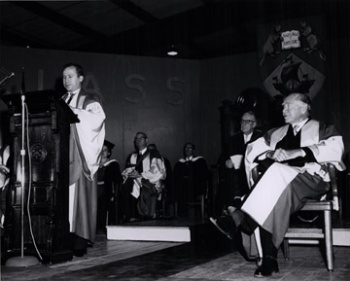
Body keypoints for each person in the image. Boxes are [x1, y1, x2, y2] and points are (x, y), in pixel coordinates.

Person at [210, 93, 345, 277]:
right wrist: (269, 154)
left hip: (312, 180)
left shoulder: (321, 127)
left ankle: (241, 217)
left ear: (304, 107)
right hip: (281, 183)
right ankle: (269, 260)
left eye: (288, 105)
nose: (283, 110)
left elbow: (336, 148)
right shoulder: (277, 132)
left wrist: (298, 152)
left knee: (274, 174)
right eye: (283, 106)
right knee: (272, 189)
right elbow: (252, 148)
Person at [62, 63, 106, 257]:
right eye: (64, 77)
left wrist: (73, 112)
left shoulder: (90, 100)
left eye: (70, 76)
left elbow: (97, 120)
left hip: (79, 157)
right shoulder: (60, 100)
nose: (66, 80)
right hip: (62, 158)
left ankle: (78, 241)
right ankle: (64, 239)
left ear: (80, 78)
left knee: (78, 200)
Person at [219, 111, 263, 213]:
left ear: (254, 124)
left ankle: (235, 204)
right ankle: (234, 203)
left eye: (247, 121)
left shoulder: (260, 138)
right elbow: (222, 159)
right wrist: (226, 162)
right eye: (242, 121)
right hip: (236, 175)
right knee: (228, 177)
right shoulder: (233, 139)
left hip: (253, 173)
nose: (243, 124)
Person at [120, 132, 166, 222]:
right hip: (136, 182)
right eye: (136, 139)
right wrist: (128, 173)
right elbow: (129, 170)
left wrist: (140, 175)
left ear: (146, 140)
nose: (138, 141)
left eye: (141, 139)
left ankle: (142, 215)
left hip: (150, 182)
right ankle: (131, 215)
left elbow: (159, 171)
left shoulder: (154, 154)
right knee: (126, 185)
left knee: (134, 186)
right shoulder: (133, 156)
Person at [173, 142, 210, 218]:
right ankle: (182, 216)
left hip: (196, 188)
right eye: (186, 148)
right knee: (179, 189)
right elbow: (176, 177)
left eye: (190, 148)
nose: (187, 150)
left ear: (193, 150)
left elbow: (203, 176)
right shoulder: (179, 163)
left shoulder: (200, 161)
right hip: (183, 188)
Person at [96, 140, 122, 233]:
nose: (103, 152)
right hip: (94, 190)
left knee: (103, 205)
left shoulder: (113, 164)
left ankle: (103, 228)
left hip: (106, 190)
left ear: (109, 153)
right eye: (101, 150)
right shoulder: (93, 165)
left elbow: (116, 180)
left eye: (105, 150)